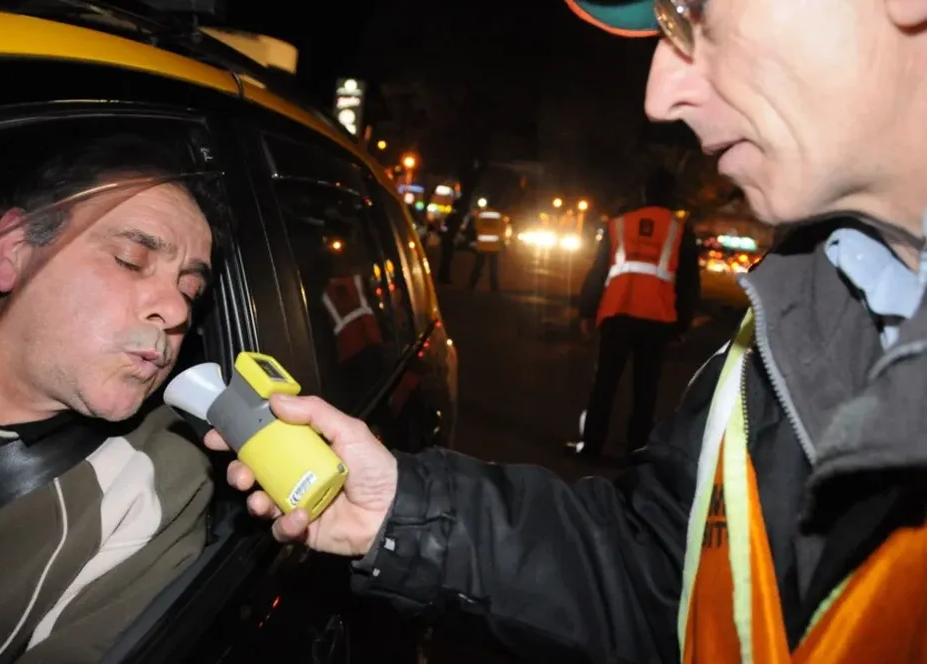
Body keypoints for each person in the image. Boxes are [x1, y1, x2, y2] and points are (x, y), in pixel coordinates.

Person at [208, 0, 927, 661]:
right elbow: (659, 570)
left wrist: (597, 306)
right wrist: (403, 510)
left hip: (620, 321)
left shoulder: (781, 306)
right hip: (644, 325)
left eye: (694, 11)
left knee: (614, 393)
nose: (659, 94)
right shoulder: (798, 314)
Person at [0, 134, 221, 663]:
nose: (176, 311)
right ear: (13, 250)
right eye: (132, 259)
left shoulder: (151, 489)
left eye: (191, 291)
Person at [573, 168, 699, 459]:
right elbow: (689, 281)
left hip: (617, 312)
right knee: (646, 389)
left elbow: (598, 270)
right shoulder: (680, 231)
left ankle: (592, 446)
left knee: (604, 383)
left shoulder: (619, 225)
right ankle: (636, 450)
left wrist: (586, 311)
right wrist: (682, 323)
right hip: (657, 319)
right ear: (671, 195)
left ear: (645, 192)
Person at [467, 209, 506, 292]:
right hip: (494, 246)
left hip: (482, 245)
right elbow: (503, 230)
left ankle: (471, 285)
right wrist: (502, 243)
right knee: (493, 268)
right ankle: (494, 288)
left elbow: (475, 228)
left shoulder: (481, 215)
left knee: (478, 266)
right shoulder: (499, 215)